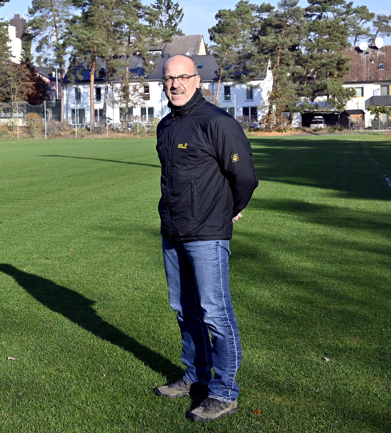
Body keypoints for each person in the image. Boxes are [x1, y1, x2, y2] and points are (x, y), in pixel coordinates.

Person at [152, 54, 258, 422]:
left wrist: (229, 209)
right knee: (184, 309)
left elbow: (245, 177)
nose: (175, 84)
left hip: (207, 233)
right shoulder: (166, 125)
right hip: (173, 231)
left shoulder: (218, 122)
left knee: (215, 313)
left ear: (198, 81)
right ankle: (195, 375)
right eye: (169, 78)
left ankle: (224, 391)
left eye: (183, 77)